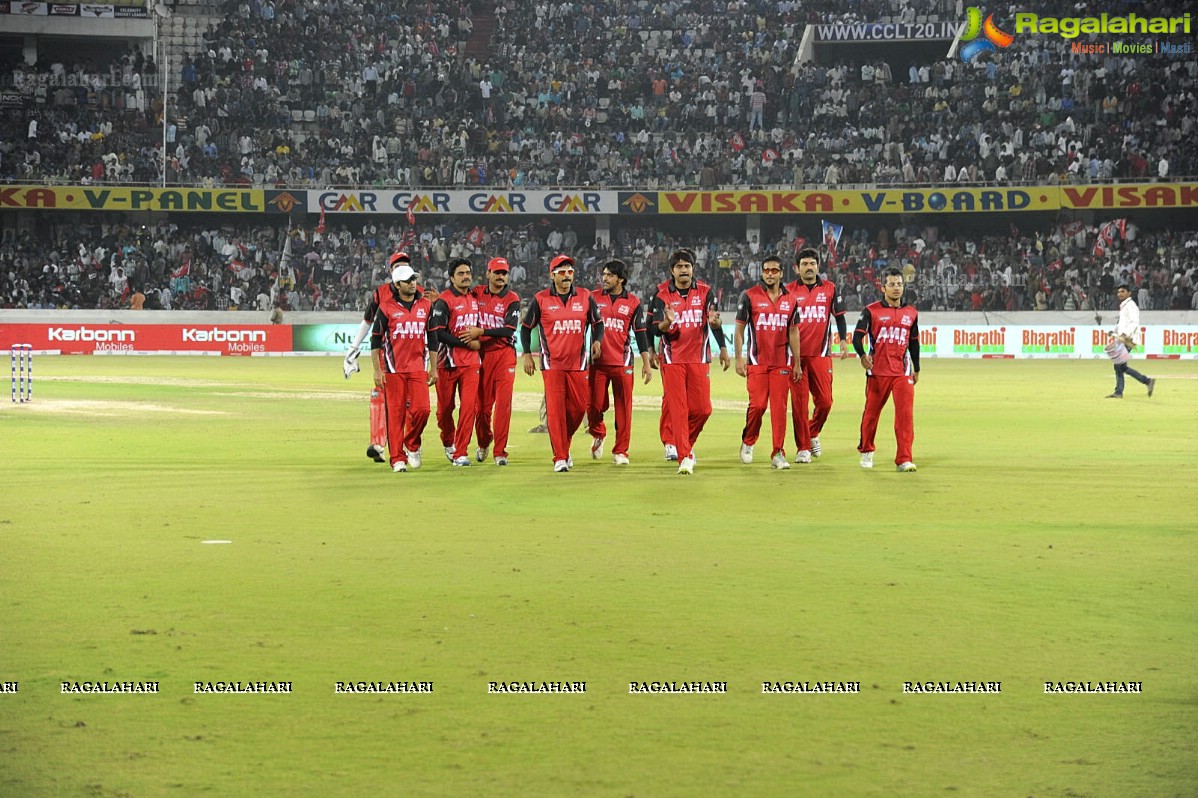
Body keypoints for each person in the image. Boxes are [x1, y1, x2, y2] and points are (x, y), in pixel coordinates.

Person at [648, 248, 730, 475]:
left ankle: (683, 444)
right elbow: (655, 329)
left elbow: (714, 322)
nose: (683, 270)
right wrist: (666, 323)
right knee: (678, 408)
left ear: (693, 268)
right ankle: (684, 455)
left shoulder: (706, 292)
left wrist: (722, 346)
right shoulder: (660, 294)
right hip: (672, 359)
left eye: (687, 266)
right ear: (671, 270)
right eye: (679, 267)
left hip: (699, 358)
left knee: (703, 409)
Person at [520, 254, 604, 472]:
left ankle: (563, 445)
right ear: (552, 275)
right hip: (552, 365)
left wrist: (597, 340)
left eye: (570, 272)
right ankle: (560, 457)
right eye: (562, 272)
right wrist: (527, 353)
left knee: (577, 409)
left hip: (578, 364)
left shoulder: (585, 297)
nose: (567, 276)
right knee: (556, 412)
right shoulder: (540, 299)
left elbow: (598, 323)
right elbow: (526, 328)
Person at [345, 251, 416, 462]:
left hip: (413, 357)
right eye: (397, 265)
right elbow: (368, 321)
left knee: (410, 404)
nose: (401, 268)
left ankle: (408, 446)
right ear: (390, 270)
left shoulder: (418, 291)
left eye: (405, 265)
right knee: (379, 397)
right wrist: (353, 348)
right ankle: (378, 444)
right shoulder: (380, 293)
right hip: (387, 356)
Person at [370, 261, 437, 472]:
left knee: (423, 411)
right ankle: (397, 458)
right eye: (407, 280)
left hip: (418, 367)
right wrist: (377, 370)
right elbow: (375, 340)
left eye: (414, 279)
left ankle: (412, 445)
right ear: (397, 284)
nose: (412, 283)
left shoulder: (426, 305)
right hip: (393, 369)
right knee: (396, 415)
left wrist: (434, 367)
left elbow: (433, 338)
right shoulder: (386, 307)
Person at [735, 253, 799, 469]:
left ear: (781, 273)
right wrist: (738, 358)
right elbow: (739, 329)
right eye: (766, 270)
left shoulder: (791, 299)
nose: (770, 274)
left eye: (774, 271)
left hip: (781, 362)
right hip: (757, 361)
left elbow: (793, 332)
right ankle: (748, 440)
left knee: (780, 409)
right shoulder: (750, 295)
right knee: (758, 405)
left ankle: (778, 453)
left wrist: (796, 362)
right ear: (762, 273)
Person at [853, 267, 920, 472]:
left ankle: (904, 458)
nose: (896, 288)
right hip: (878, 372)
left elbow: (914, 342)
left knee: (905, 416)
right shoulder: (871, 310)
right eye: (891, 284)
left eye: (899, 284)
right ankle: (866, 450)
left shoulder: (911, 313)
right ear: (883, 288)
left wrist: (916, 368)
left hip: (902, 372)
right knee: (871, 415)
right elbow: (857, 336)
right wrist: (863, 355)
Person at [786, 247, 849, 462]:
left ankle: (812, 433)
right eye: (804, 264)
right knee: (799, 405)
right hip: (795, 357)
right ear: (797, 268)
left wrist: (842, 340)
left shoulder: (830, 289)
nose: (809, 267)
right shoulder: (788, 291)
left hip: (821, 355)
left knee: (825, 402)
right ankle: (803, 448)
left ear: (818, 266)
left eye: (812, 263)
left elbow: (839, 317)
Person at [587, 258, 652, 465]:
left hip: (623, 363)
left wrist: (647, 363)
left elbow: (641, 334)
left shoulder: (633, 302)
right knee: (594, 406)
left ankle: (621, 451)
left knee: (624, 409)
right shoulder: (592, 298)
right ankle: (599, 433)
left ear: (621, 279)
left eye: (609, 275)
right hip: (597, 364)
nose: (604, 278)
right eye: (603, 274)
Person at [466, 257, 521, 465]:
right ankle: (483, 442)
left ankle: (500, 452)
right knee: (481, 408)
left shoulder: (512, 298)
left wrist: (482, 331)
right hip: (480, 356)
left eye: (504, 273)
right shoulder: (477, 293)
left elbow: (509, 329)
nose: (500, 277)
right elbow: (459, 300)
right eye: (496, 272)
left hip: (504, 355)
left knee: (503, 406)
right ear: (488, 273)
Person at [429, 257, 483, 467]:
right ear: (451, 278)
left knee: (469, 408)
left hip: (471, 365)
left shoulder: (476, 298)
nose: (465, 277)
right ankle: (448, 440)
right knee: (444, 411)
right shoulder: (444, 301)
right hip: (447, 364)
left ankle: (461, 452)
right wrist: (468, 344)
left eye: (468, 273)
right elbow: (439, 334)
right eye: (460, 274)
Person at [1106, 283, 1156, 399]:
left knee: (1119, 365)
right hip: (1123, 338)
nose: (1120, 294)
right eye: (1118, 292)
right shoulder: (1124, 306)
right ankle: (1146, 381)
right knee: (1120, 366)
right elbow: (1121, 323)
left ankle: (1120, 391)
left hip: (1128, 339)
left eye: (1122, 291)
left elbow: (1134, 323)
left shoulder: (1131, 306)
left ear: (1129, 293)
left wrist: (1125, 334)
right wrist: (1113, 331)